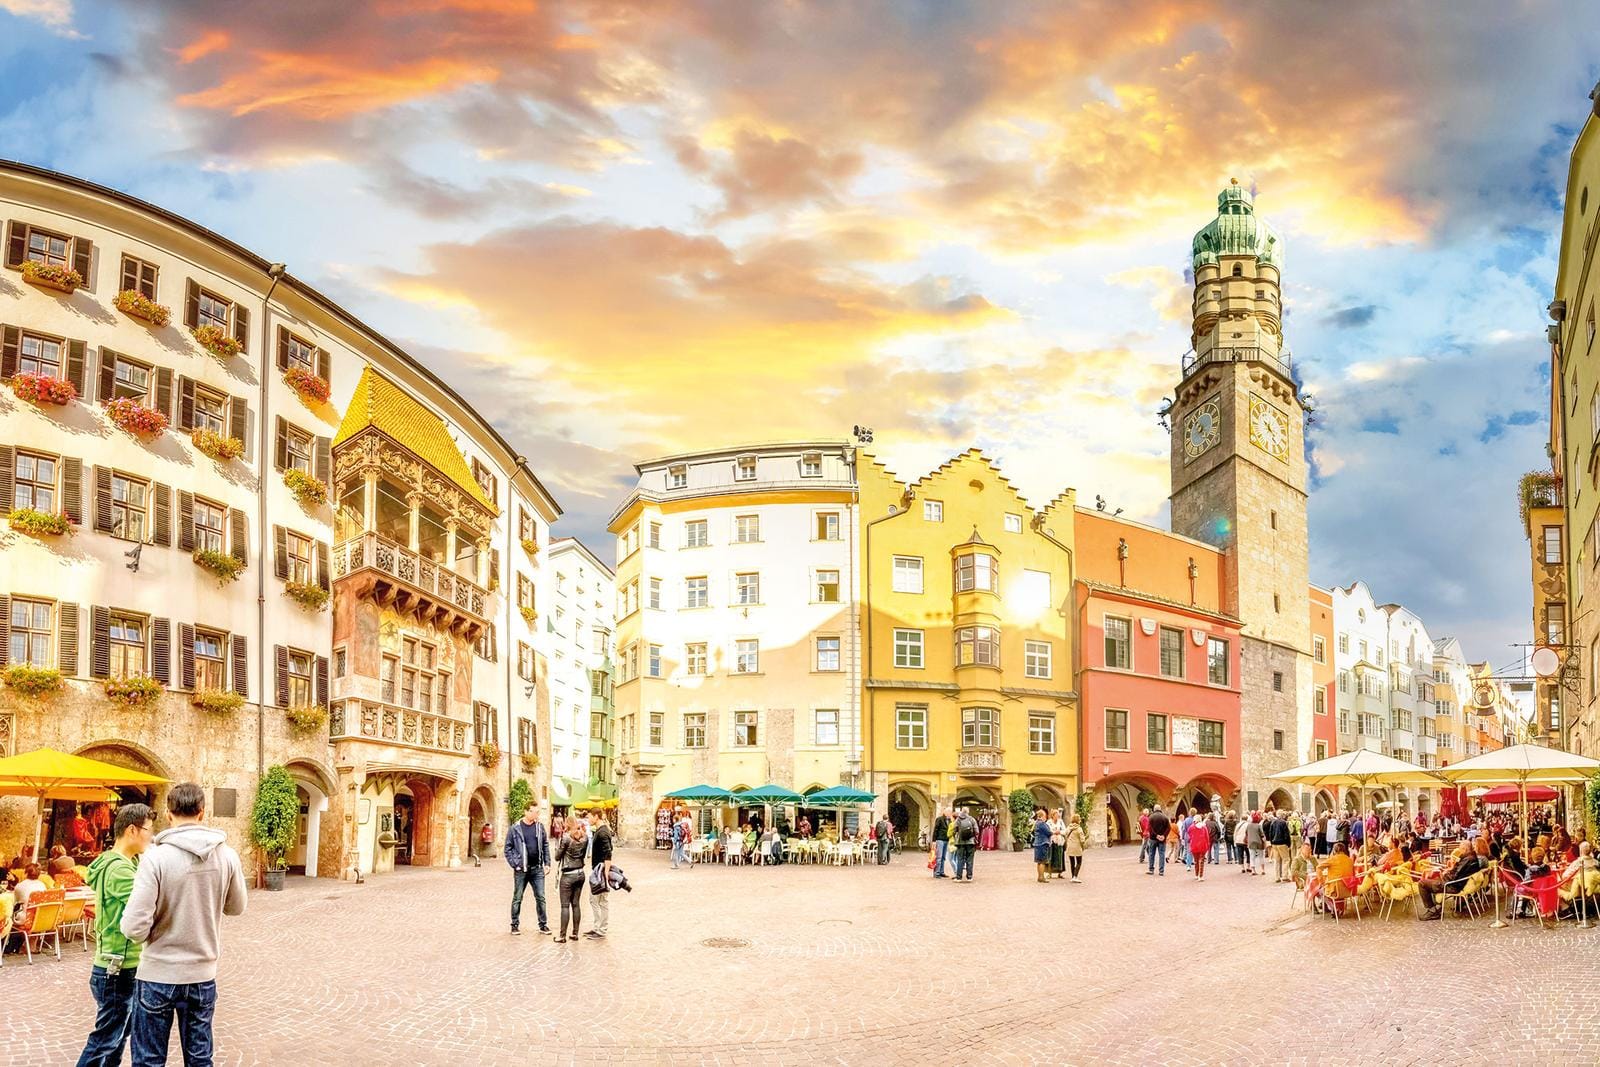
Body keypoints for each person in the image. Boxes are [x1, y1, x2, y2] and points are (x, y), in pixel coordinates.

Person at [122, 782, 247, 1066]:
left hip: (157, 974)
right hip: (202, 974)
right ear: (202, 812)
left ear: (169, 813)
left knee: (149, 1061)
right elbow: (236, 907)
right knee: (200, 1059)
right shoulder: (227, 855)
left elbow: (132, 927)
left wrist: (154, 930)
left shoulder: (154, 857)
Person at [76, 802, 154, 1067]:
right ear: (132, 830)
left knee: (116, 1038)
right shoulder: (120, 869)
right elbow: (147, 906)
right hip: (116, 969)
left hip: (117, 967)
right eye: (148, 830)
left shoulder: (121, 863)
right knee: (106, 1040)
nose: (151, 836)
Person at [503, 802, 550, 935]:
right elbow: (508, 848)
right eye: (534, 812)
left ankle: (543, 924)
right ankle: (514, 924)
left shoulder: (539, 827)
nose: (536, 815)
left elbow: (545, 845)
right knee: (517, 897)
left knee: (541, 897)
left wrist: (547, 863)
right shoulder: (515, 828)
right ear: (526, 812)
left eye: (537, 812)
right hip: (521, 869)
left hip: (537, 869)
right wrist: (515, 863)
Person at [552, 816, 588, 943]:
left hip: (568, 875)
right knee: (576, 904)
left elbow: (557, 857)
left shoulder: (566, 838)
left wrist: (558, 847)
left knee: (565, 906)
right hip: (580, 873)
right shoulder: (584, 837)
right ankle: (575, 933)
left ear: (567, 824)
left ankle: (562, 936)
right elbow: (583, 854)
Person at [587, 810, 614, 940]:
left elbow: (608, 853)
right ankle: (597, 927)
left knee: (602, 900)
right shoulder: (600, 830)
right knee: (595, 899)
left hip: (601, 871)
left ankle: (601, 929)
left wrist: (606, 873)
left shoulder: (603, 832)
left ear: (596, 816)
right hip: (598, 870)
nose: (588, 819)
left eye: (589, 817)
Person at [951, 807, 978, 882]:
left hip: (960, 842)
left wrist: (956, 837)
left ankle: (959, 877)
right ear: (968, 812)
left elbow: (954, 830)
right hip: (970, 842)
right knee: (970, 859)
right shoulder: (972, 819)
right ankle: (969, 877)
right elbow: (977, 831)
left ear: (962, 811)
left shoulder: (958, 820)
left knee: (960, 859)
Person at [1266, 810, 1292, 883]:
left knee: (1277, 860)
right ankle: (1285, 876)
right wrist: (1289, 844)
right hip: (1282, 843)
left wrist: (1271, 842)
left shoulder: (1273, 822)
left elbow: (1270, 833)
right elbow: (1286, 834)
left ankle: (1277, 877)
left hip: (1274, 843)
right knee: (1286, 859)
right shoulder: (1284, 823)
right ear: (1282, 815)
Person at [1146, 805, 1170, 876]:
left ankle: (1151, 869)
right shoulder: (1165, 817)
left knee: (1151, 854)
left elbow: (1150, 829)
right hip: (1162, 840)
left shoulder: (1151, 817)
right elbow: (1168, 828)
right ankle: (1161, 871)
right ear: (1160, 809)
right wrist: (1163, 835)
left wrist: (1156, 835)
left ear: (1154, 809)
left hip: (1153, 838)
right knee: (1162, 854)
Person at [1187, 809, 1211, 881]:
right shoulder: (1204, 827)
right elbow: (1207, 837)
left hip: (1194, 845)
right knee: (1201, 861)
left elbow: (1189, 835)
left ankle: (1196, 875)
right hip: (1202, 845)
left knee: (1196, 861)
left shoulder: (1191, 827)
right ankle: (1201, 876)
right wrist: (1208, 845)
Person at [1063, 814, 1087, 883]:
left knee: (1072, 862)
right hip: (1077, 847)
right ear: (1078, 820)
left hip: (1070, 847)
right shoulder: (1079, 829)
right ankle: (1075, 876)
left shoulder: (1069, 827)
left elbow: (1065, 834)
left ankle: (1073, 876)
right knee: (1079, 862)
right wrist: (1083, 843)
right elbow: (1082, 840)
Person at [1031, 808, 1051, 884]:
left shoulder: (1036, 823)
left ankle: (1039, 876)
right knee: (1042, 861)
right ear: (1042, 816)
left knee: (1039, 861)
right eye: (1045, 816)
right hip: (1042, 843)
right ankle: (1042, 877)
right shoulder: (1042, 823)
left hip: (1037, 843)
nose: (1045, 817)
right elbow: (1048, 832)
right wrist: (1053, 832)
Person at [931, 808, 951, 878]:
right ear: (945, 812)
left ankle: (941, 872)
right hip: (940, 839)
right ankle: (936, 873)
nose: (950, 813)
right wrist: (934, 840)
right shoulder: (939, 819)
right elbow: (935, 829)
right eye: (949, 812)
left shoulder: (950, 820)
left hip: (946, 840)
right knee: (939, 857)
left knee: (943, 857)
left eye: (950, 812)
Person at [1047, 809, 1067, 879]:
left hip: (1059, 842)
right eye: (1056, 815)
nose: (1057, 816)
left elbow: (1065, 830)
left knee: (1060, 857)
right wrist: (1053, 832)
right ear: (1052, 815)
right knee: (1051, 857)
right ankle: (1049, 873)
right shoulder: (1049, 822)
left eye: (1058, 815)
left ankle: (1060, 873)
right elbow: (1047, 830)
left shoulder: (1060, 822)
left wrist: (1060, 832)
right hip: (1052, 841)